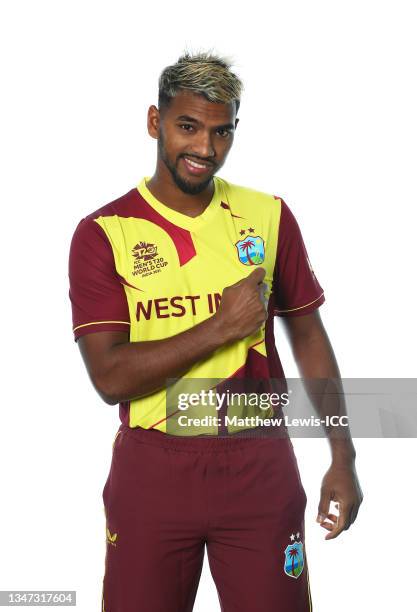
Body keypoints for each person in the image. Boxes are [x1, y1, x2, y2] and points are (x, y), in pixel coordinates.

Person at [68, 51, 363, 612]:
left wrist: (343, 456)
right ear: (156, 123)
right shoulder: (104, 233)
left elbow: (309, 337)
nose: (205, 148)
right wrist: (220, 327)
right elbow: (109, 376)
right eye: (187, 127)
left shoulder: (268, 216)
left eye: (221, 131)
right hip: (153, 468)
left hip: (259, 464)